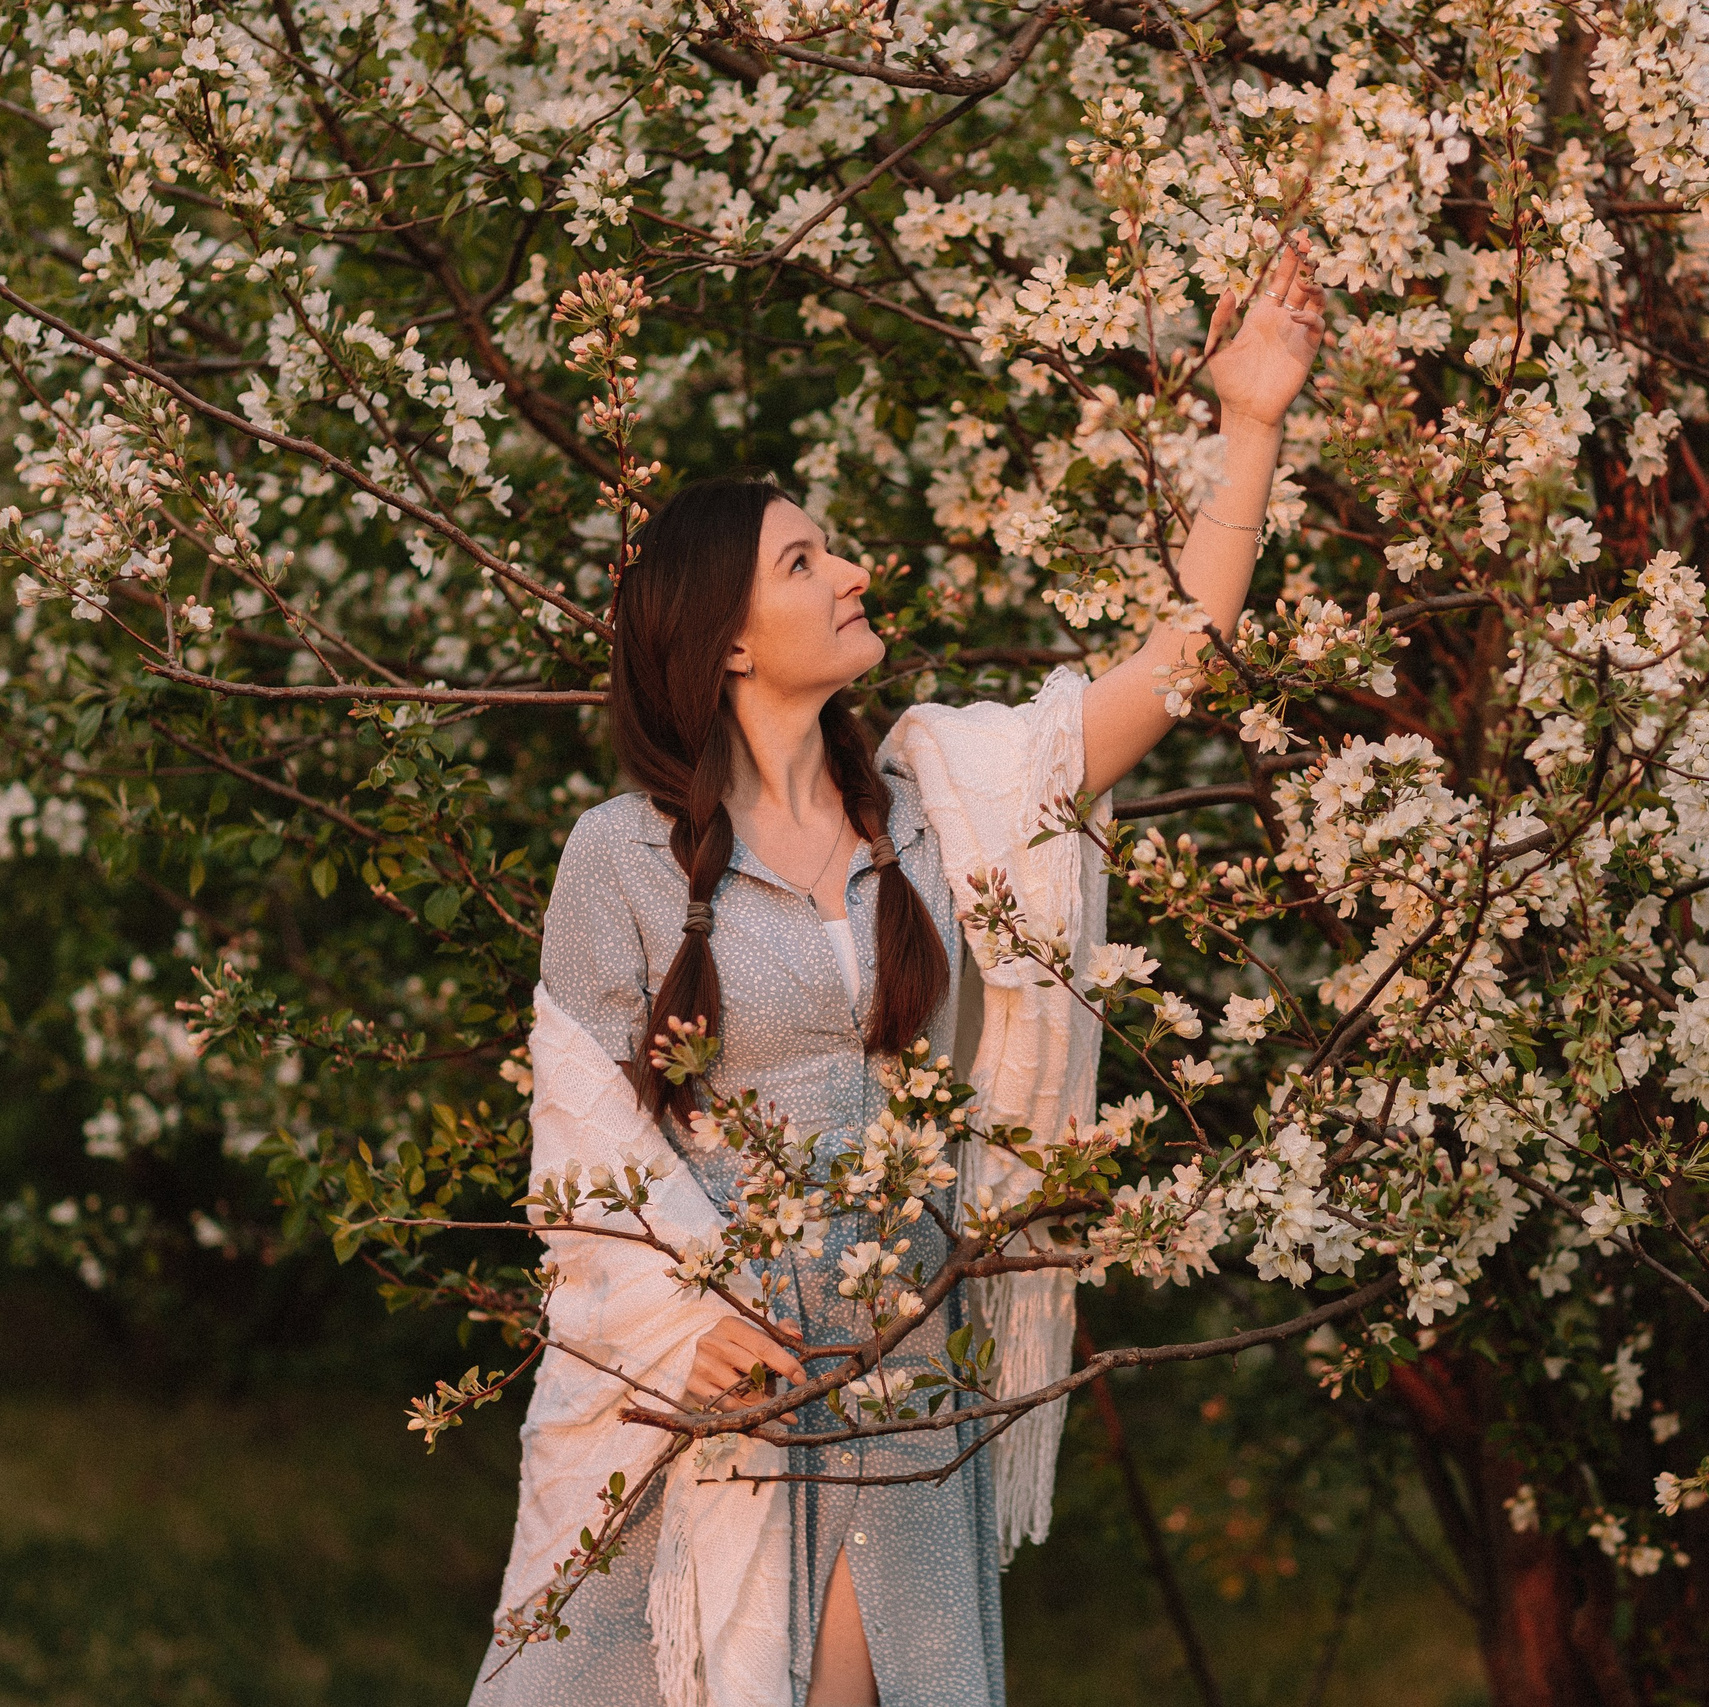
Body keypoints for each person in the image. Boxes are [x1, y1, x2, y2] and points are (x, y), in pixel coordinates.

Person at [473, 238, 1327, 1707]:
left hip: (902, 1354)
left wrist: (1249, 425)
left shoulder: (937, 795)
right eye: (806, 560)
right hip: (711, 1379)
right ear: (727, 639)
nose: (856, 569)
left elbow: (1172, 669)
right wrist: (692, 1328)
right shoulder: (618, 855)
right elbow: (578, 1140)